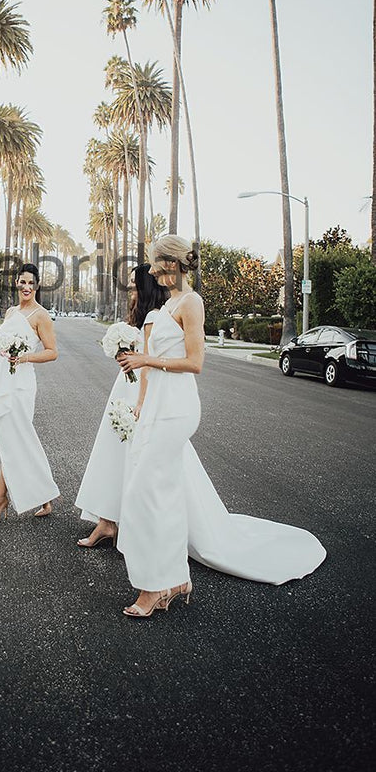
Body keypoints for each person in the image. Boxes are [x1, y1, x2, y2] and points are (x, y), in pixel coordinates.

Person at [116, 234, 326, 619]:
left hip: (177, 408)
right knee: (155, 492)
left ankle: (156, 585)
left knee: (148, 493)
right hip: (159, 405)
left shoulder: (191, 302)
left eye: (155, 263)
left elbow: (196, 362)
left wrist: (147, 359)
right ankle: (173, 579)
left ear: (173, 264)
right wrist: (143, 384)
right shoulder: (169, 304)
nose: (151, 270)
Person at [74, 265, 167, 547]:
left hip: (136, 391)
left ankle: (128, 523)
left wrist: (140, 402)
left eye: (134, 284)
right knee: (112, 451)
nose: (130, 290)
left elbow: (150, 363)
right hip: (125, 387)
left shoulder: (152, 317)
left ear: (146, 287)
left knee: (131, 455)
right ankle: (107, 522)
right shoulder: (142, 316)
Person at [0, 263, 60, 524]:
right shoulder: (11, 312)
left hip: (22, 384)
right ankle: (45, 493)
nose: (26, 287)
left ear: (36, 286)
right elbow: (0, 352)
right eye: (22, 282)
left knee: (13, 440)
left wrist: (25, 358)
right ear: (16, 283)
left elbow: (52, 352)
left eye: (31, 283)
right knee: (16, 439)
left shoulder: (41, 316)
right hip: (3, 380)